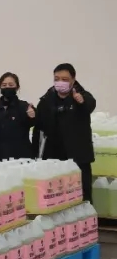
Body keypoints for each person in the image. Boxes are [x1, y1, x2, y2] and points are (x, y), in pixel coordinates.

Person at [34, 63, 96, 201]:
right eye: (56, 79)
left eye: (65, 79)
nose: (60, 82)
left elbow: (89, 105)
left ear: (73, 80)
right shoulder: (46, 100)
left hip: (78, 157)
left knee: (82, 197)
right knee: (57, 199)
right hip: (54, 158)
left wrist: (81, 101)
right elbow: (39, 128)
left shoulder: (82, 96)